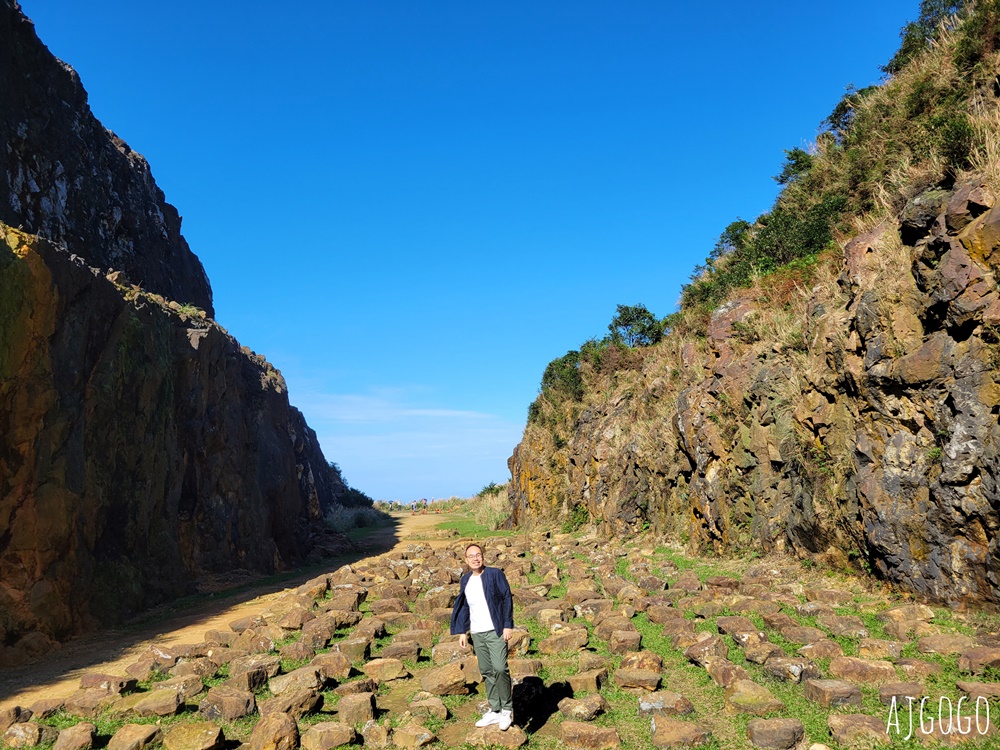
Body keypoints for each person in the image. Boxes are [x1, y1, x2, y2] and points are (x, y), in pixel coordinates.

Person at [450, 543, 515, 730]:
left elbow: (506, 598)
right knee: (487, 670)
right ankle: (495, 709)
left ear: (483, 557)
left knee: (500, 668)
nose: (475, 558)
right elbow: (463, 607)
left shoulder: (495, 574)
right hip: (477, 633)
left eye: (478, 555)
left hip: (495, 630)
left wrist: (507, 625)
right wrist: (462, 631)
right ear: (466, 560)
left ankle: (506, 710)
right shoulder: (466, 580)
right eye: (471, 556)